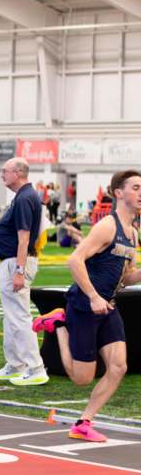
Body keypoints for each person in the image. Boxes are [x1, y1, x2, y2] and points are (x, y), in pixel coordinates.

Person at [32, 170, 141, 442]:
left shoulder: (134, 233)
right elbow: (74, 261)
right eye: (137, 188)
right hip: (84, 303)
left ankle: (84, 422)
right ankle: (58, 324)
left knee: (118, 367)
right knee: (82, 378)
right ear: (119, 193)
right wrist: (93, 297)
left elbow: (126, 277)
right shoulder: (108, 225)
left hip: (108, 305)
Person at [0, 157, 47, 386]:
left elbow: (23, 239)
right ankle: (15, 364)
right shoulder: (23, 196)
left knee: (19, 317)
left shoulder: (24, 198)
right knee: (11, 317)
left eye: (6, 171)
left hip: (16, 262)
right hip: (12, 261)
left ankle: (36, 368)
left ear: (18, 173)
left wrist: (19, 271)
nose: (2, 175)